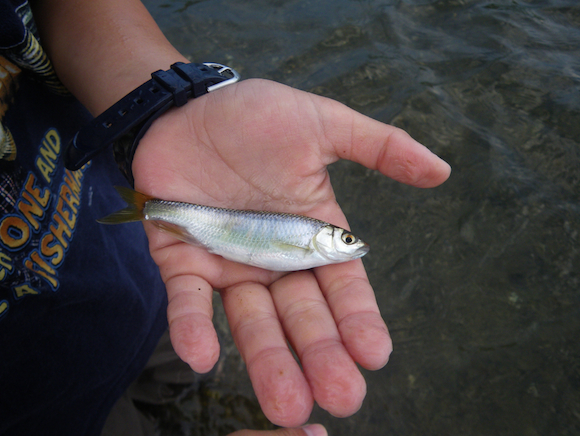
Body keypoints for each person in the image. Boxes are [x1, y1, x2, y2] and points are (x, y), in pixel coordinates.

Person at [0, 0, 451, 435]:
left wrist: (165, 103)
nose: (352, 246)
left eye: (346, 241)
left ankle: (191, 402)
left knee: (183, 368)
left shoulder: (303, 242)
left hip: (142, 288)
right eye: (347, 242)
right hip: (44, 407)